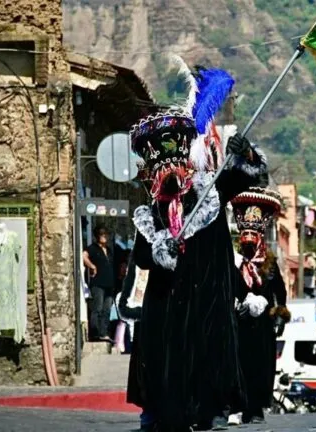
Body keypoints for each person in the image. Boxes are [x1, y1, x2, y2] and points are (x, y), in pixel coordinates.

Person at [127, 57, 268, 431]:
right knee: (161, 355)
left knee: (209, 350)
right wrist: (161, 249)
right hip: (167, 304)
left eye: (175, 162)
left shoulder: (210, 192)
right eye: (161, 165)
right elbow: (141, 258)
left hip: (206, 298)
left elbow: (250, 178)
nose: (169, 170)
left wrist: (247, 154)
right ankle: (156, 409)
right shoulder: (151, 212)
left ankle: (213, 408)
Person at [227, 187, 290, 425]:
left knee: (260, 366)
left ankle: (255, 409)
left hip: (263, 326)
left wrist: (280, 314)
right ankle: (237, 406)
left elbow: (280, 292)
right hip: (238, 322)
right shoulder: (234, 263)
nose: (249, 244)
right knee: (238, 364)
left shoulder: (269, 264)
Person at [83, 225, 115, 342]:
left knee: (107, 310)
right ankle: (95, 334)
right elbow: (83, 256)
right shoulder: (93, 248)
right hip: (98, 283)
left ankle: (104, 333)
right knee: (98, 308)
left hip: (109, 284)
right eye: (102, 234)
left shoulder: (109, 250)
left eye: (106, 234)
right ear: (97, 236)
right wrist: (92, 266)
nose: (104, 236)